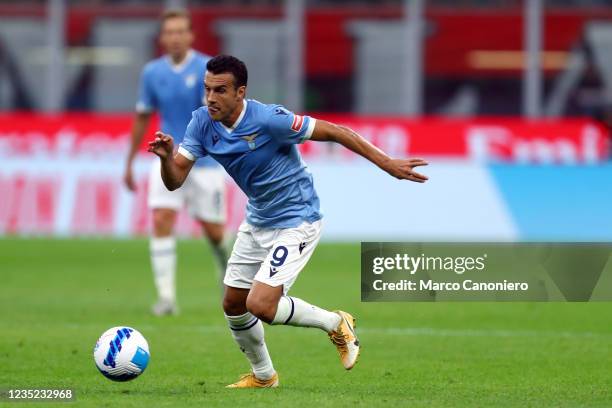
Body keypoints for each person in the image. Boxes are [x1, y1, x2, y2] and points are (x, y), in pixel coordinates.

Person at [148, 55, 428, 387]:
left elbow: (335, 131)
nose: (211, 98)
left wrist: (386, 163)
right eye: (207, 89)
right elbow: (175, 180)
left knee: (261, 304)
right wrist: (167, 159)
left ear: (240, 92)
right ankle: (264, 376)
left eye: (220, 90)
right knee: (233, 303)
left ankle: (335, 322)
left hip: (298, 219)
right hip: (258, 220)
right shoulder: (201, 123)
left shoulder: (270, 120)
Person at [123, 10, 228, 316]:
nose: (175, 37)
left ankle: (226, 271)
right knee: (161, 220)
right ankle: (166, 298)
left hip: (204, 161)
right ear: (162, 37)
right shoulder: (152, 73)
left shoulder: (208, 69)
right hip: (166, 157)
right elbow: (143, 116)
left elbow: (219, 115)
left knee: (214, 232)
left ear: (191, 35)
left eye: (181, 31)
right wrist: (129, 162)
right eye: (169, 32)